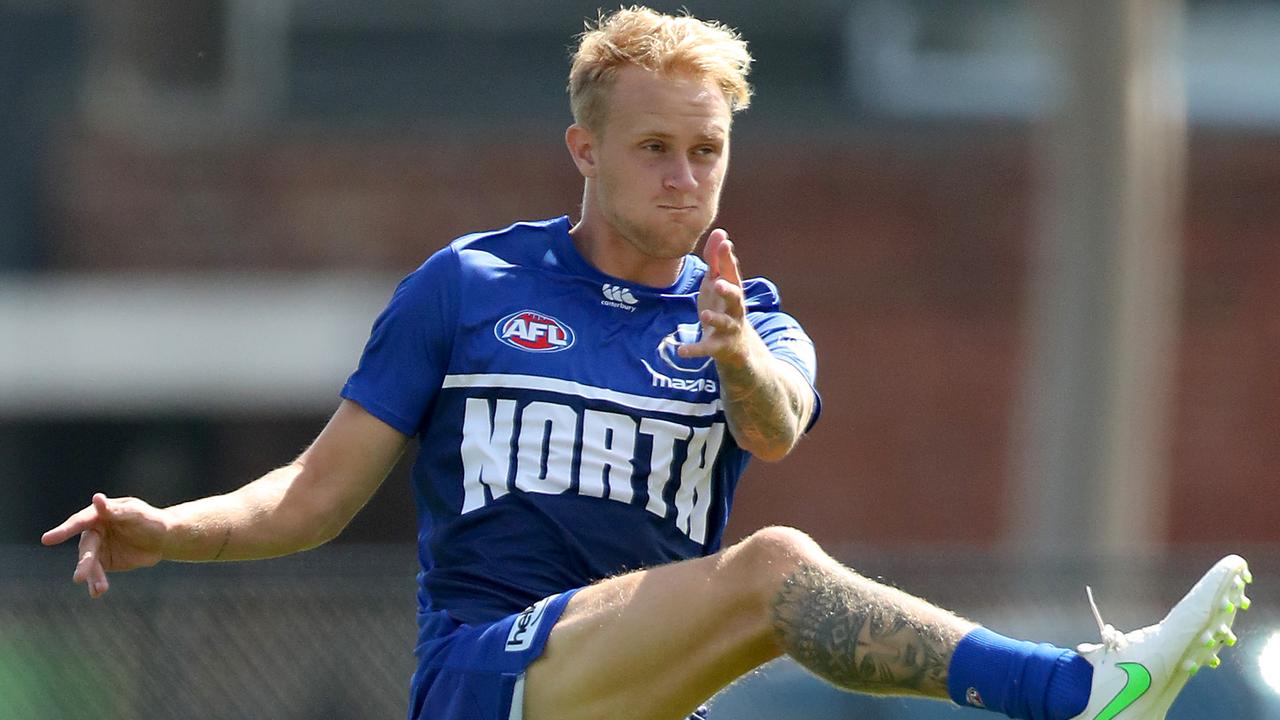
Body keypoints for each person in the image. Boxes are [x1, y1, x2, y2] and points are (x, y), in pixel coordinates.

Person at [42, 7, 1251, 720]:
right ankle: (1072, 693)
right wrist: (174, 528)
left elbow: (774, 428)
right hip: (484, 679)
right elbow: (306, 500)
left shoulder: (754, 318)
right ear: (584, 147)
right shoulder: (466, 288)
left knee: (763, 570)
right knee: (771, 566)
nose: (683, 176)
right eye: (655, 148)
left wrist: (732, 355)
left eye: (707, 151)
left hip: (638, 698)